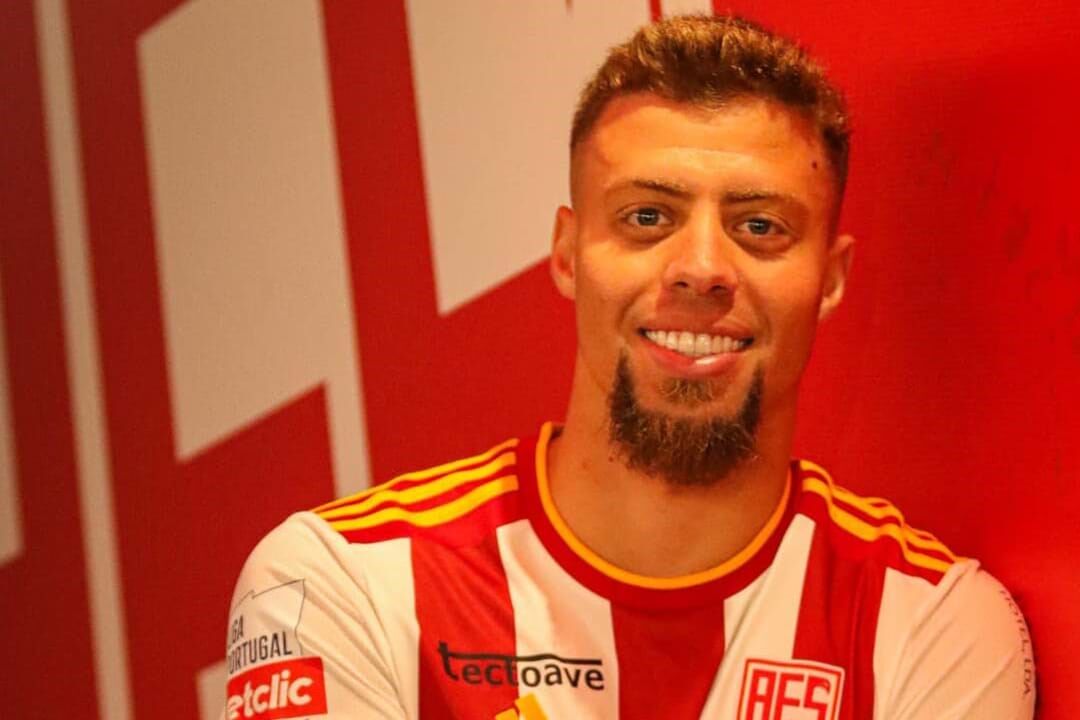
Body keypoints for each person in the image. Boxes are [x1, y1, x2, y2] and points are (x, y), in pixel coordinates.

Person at [224, 14, 1035, 720]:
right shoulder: (344, 580)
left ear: (830, 277)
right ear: (567, 254)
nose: (701, 268)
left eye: (760, 226)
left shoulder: (933, 623)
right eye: (648, 216)